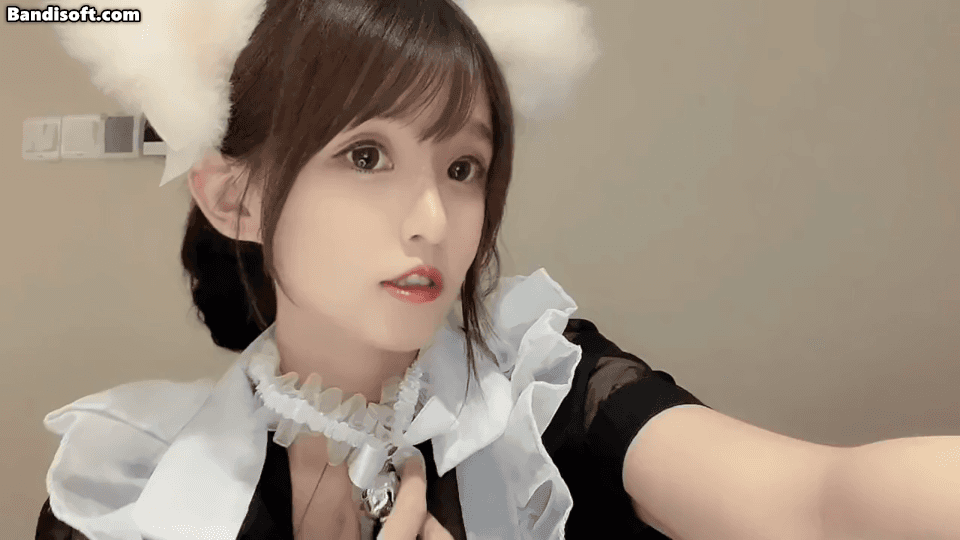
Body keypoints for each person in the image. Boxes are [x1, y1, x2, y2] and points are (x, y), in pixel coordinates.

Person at [34, 0, 960, 539]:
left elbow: (818, 502)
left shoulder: (542, 395)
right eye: (367, 156)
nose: (434, 219)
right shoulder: (122, 486)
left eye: (463, 167)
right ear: (235, 199)